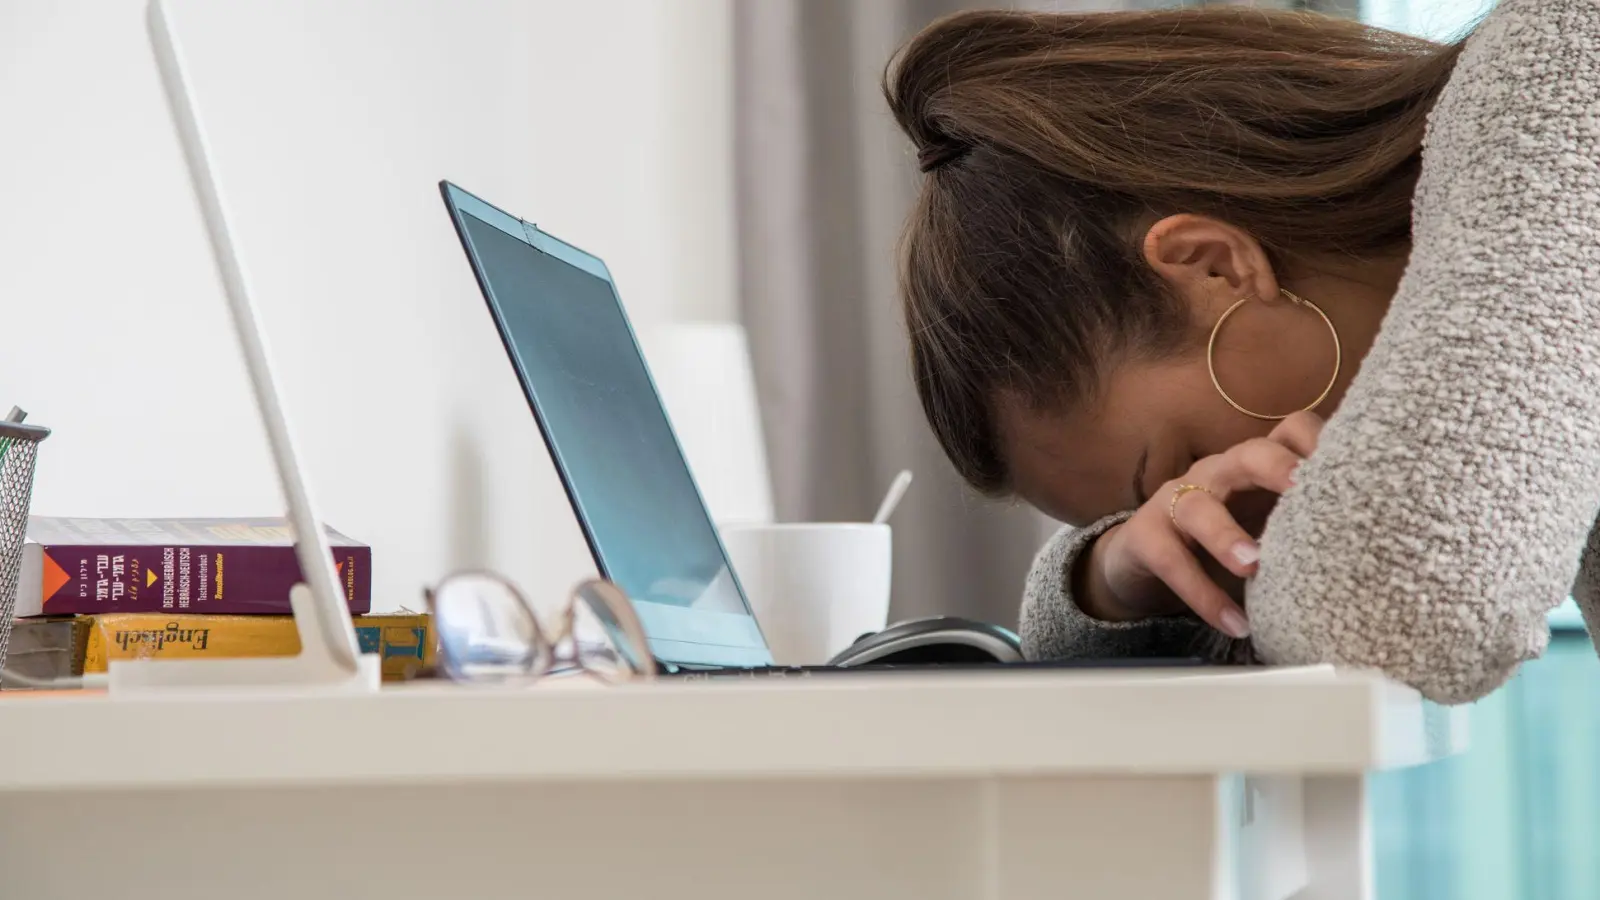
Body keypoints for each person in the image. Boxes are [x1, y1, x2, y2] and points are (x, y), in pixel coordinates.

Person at [882, 0, 1600, 705]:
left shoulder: (1565, 70)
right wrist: (1109, 580)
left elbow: (1397, 606)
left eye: (1185, 464)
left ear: (1216, 268)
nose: (1214, 500)